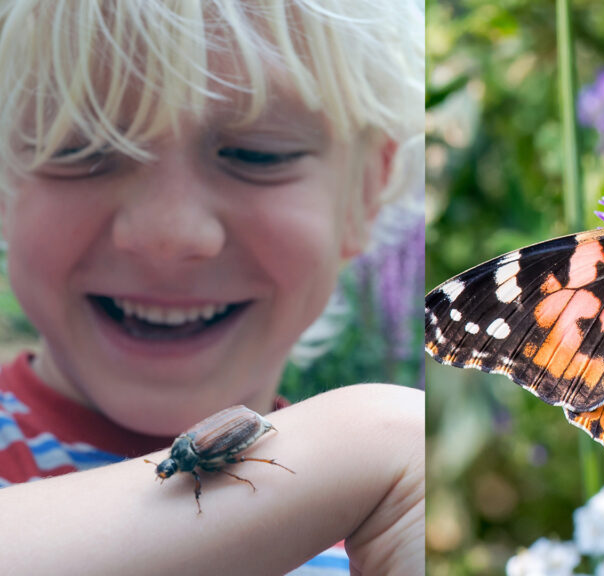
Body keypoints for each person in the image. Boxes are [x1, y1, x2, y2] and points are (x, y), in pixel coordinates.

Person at [0, 1, 424, 574]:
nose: (169, 235)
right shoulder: (366, 478)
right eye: (80, 150)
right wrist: (365, 442)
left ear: (365, 194)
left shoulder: (375, 538)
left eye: (258, 154)